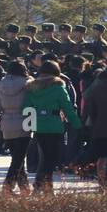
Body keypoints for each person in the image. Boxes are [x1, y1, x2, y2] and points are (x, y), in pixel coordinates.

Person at [26, 61, 82, 192]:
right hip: (55, 125)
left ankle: (41, 184)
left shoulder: (31, 88)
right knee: (52, 157)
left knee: (44, 155)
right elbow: (68, 108)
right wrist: (77, 125)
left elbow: (26, 107)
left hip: (38, 125)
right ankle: (45, 185)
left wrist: (29, 125)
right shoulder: (58, 87)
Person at [0, 60, 33, 193]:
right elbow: (32, 105)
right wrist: (34, 126)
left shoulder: (1, 85)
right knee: (18, 159)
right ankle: (7, 187)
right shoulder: (29, 84)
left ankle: (24, 187)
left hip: (6, 124)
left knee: (16, 157)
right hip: (25, 122)